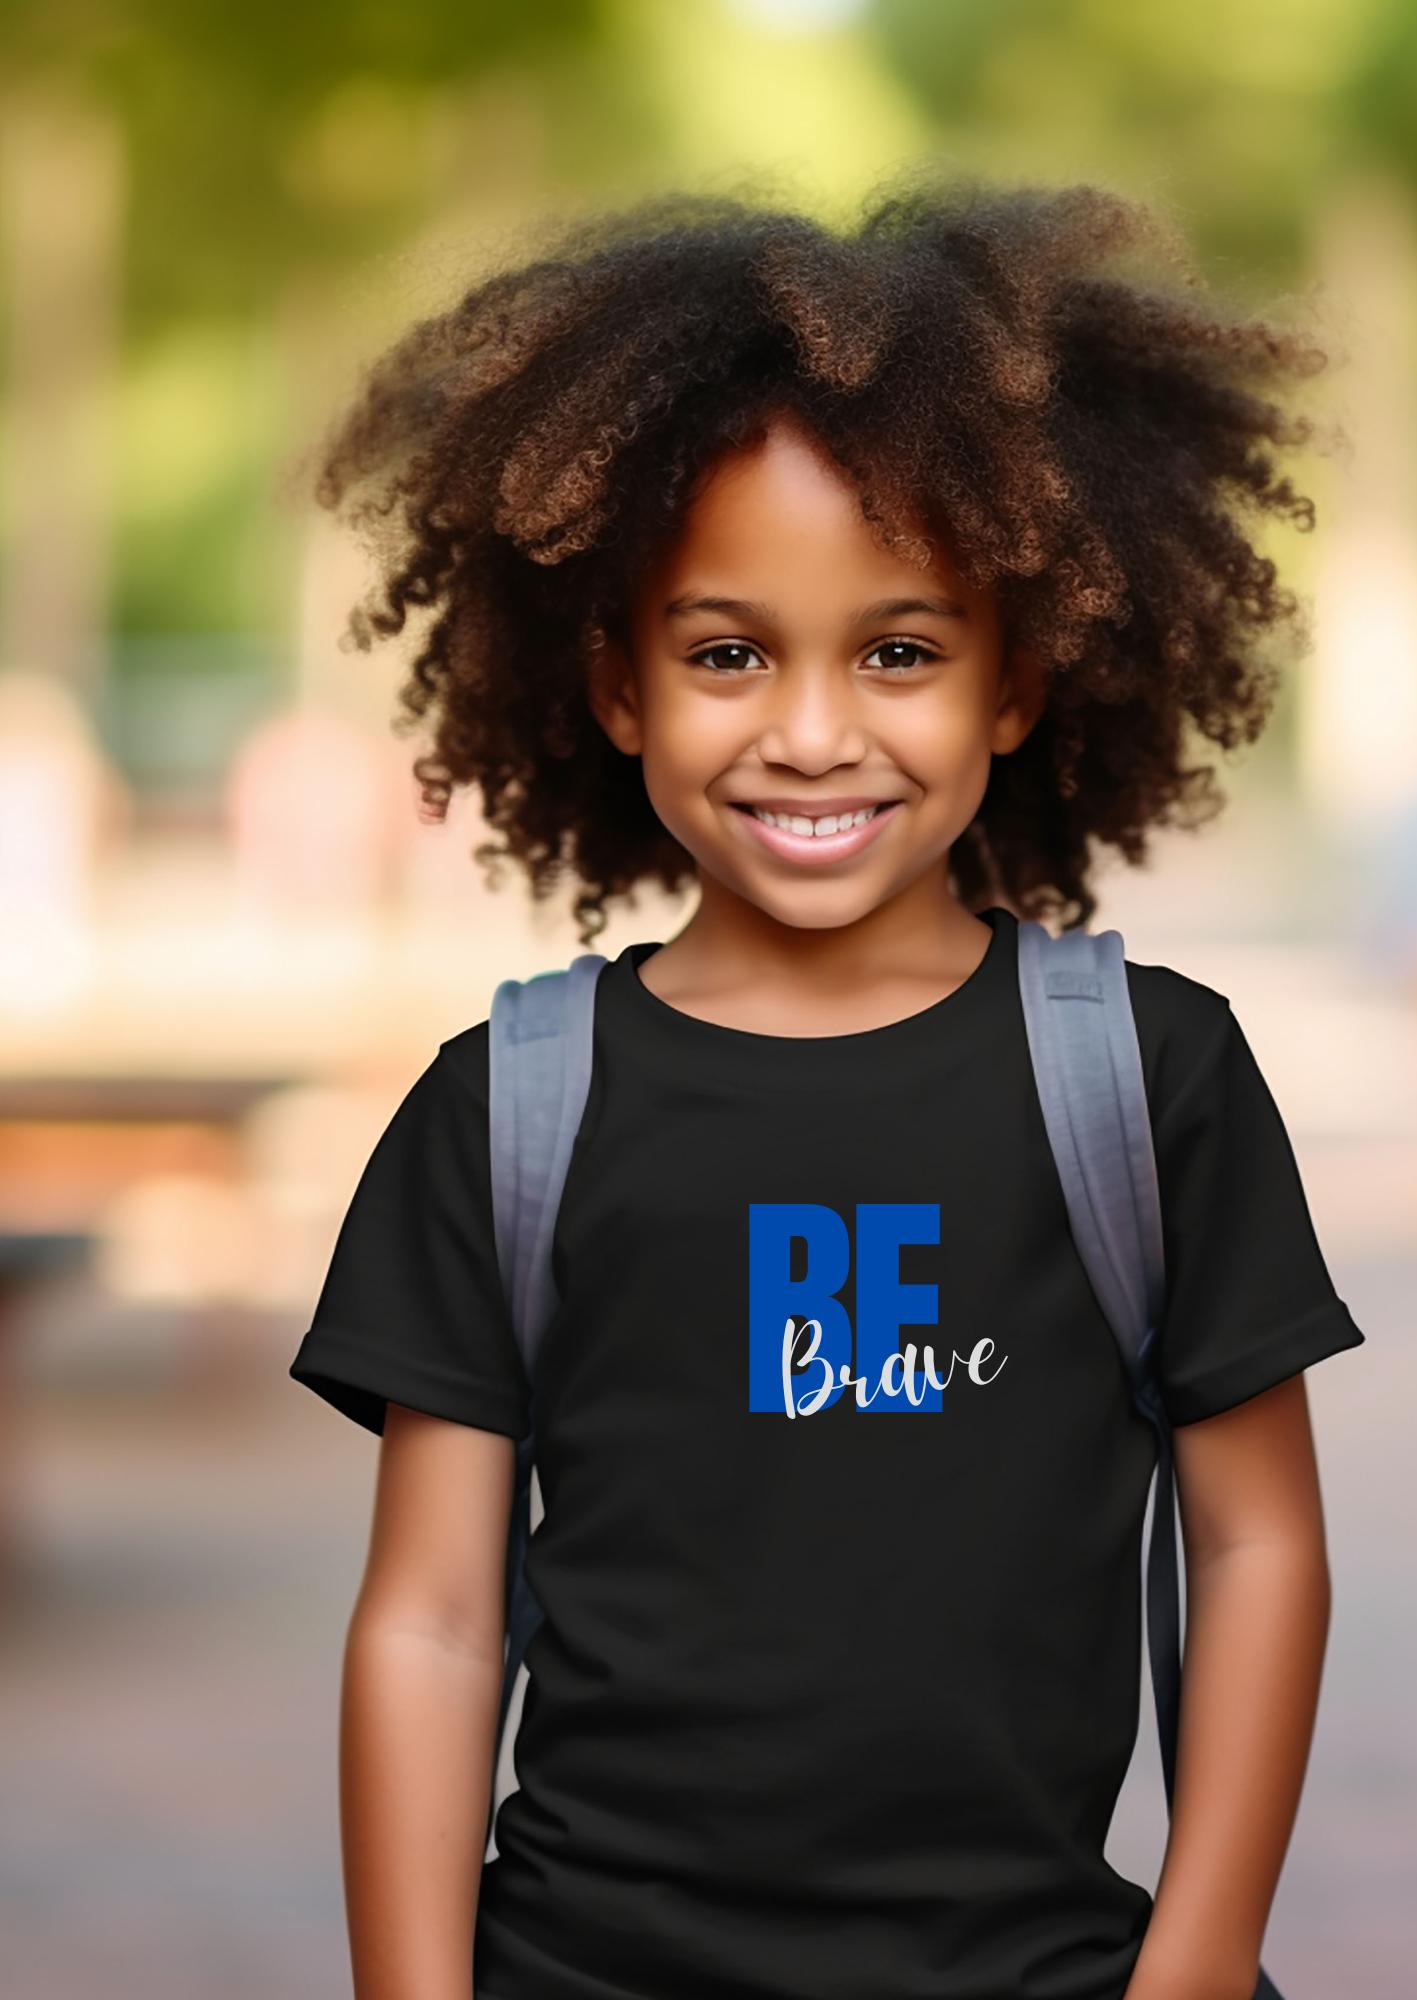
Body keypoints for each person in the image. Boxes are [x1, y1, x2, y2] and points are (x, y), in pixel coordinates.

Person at [292, 185, 1362, 2000]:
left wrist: (1193, 1969)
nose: (809, 730)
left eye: (898, 649)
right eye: (726, 652)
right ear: (618, 686)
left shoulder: (1147, 1078)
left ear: (1015, 681)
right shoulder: (506, 1111)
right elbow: (431, 1616)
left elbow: (1259, 1545)